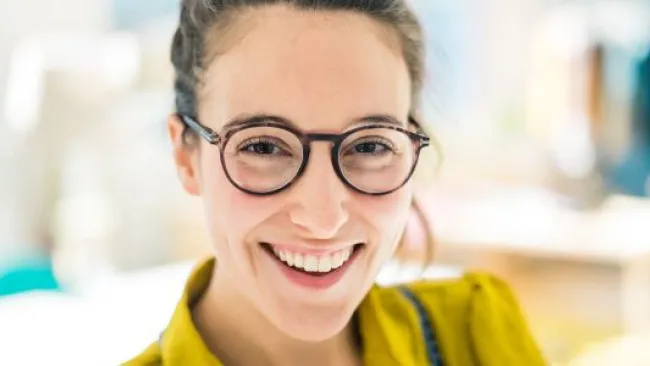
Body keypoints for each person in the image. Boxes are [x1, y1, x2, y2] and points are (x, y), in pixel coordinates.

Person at [125, 0, 546, 365]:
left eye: (369, 147)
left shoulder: (475, 335)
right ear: (185, 157)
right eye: (265, 148)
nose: (323, 219)